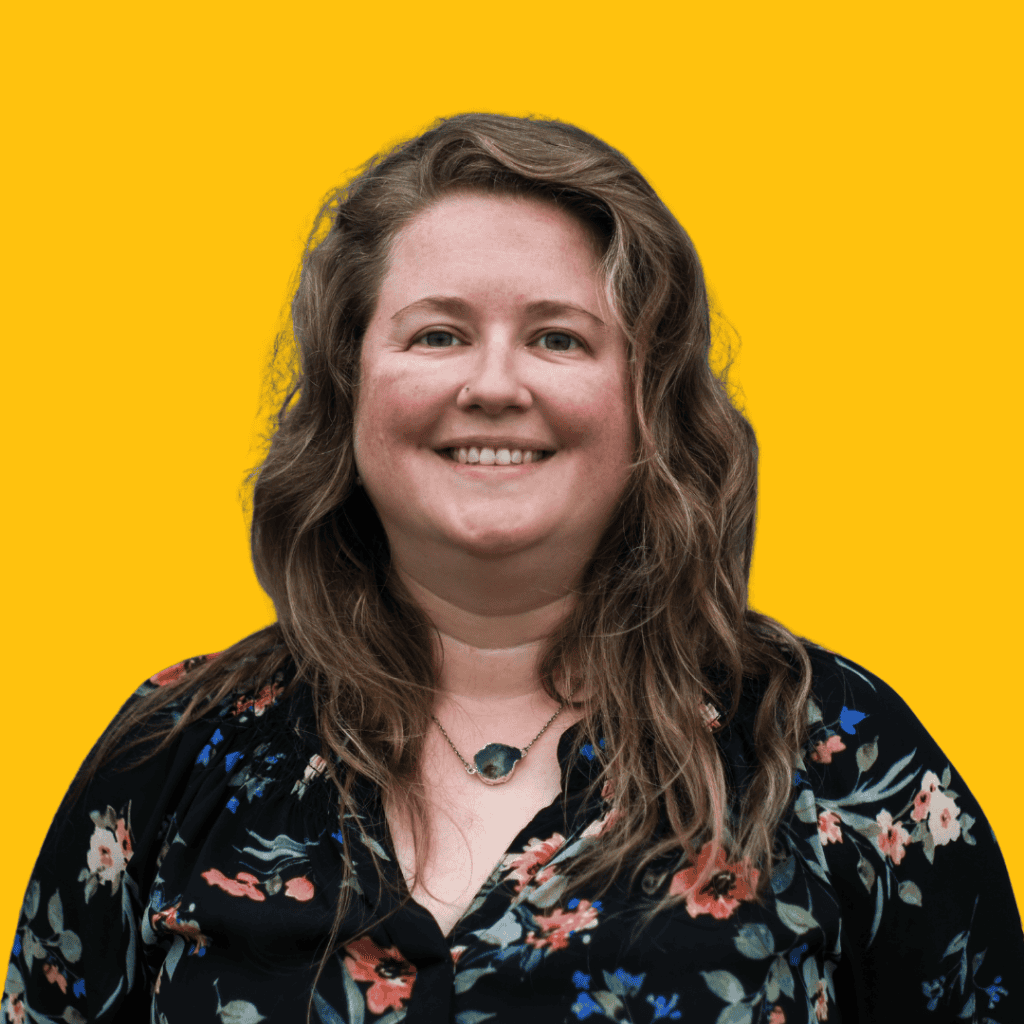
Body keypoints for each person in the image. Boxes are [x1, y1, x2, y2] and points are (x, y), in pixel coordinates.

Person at [4, 113, 1022, 1024]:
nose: (493, 384)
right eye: (438, 333)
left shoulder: (832, 756)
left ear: (646, 404)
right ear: (349, 391)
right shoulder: (170, 751)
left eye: (557, 338)